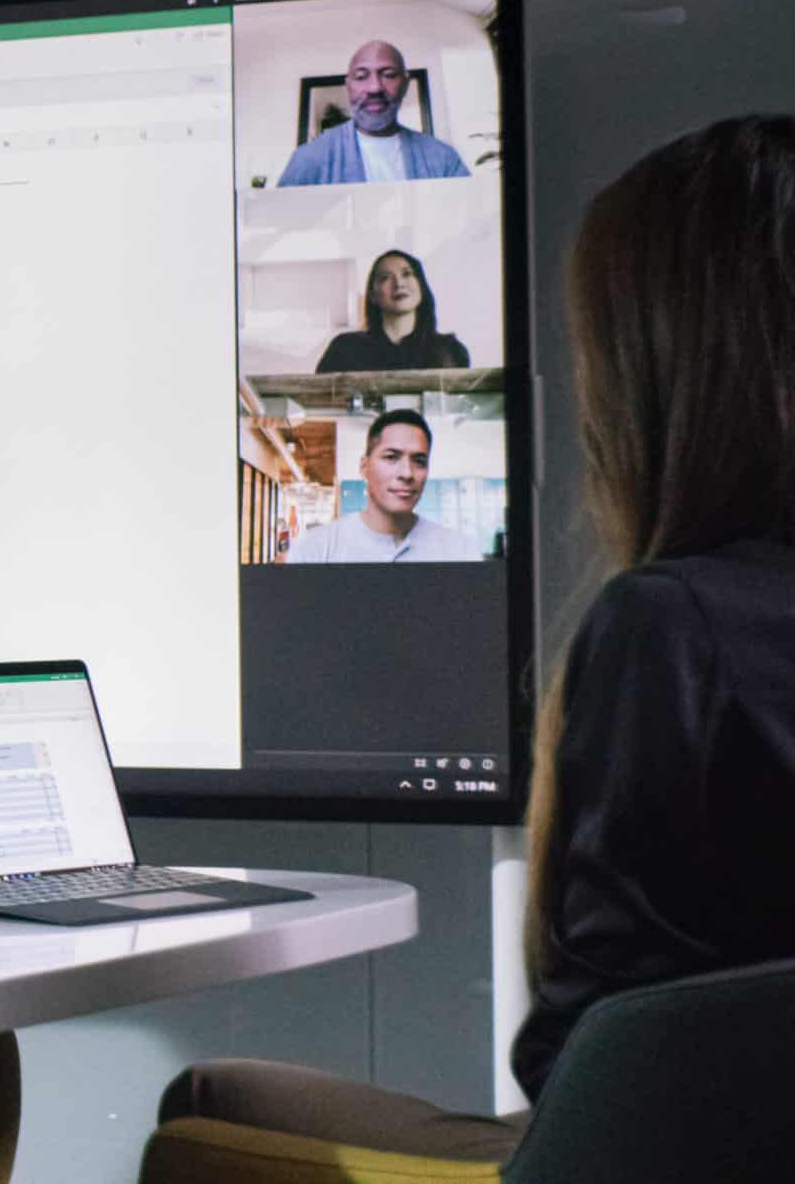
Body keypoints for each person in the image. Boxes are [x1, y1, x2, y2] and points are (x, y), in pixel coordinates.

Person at [160, 114, 795, 1162]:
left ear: (651, 372)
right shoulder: (318, 550)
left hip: (664, 1146)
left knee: (208, 1105)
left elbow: (582, 1059)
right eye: (392, 454)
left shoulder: (671, 630)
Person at [282, 409, 482, 563]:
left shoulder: (461, 551)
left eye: (419, 461)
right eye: (391, 457)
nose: (407, 473)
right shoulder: (314, 550)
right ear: (364, 467)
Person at [277, 40, 473, 185]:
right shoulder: (310, 158)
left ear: (405, 84)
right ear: (348, 86)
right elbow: (283, 229)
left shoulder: (443, 158)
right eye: (361, 76)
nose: (375, 87)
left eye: (388, 75)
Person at [314, 249, 473, 372]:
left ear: (421, 287)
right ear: (372, 296)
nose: (398, 284)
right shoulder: (344, 348)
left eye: (407, 274)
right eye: (385, 278)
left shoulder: (450, 350)